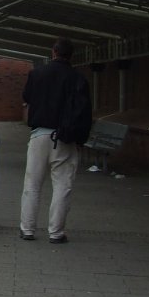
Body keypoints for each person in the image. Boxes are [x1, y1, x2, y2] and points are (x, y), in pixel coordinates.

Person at [19, 37, 90, 244]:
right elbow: (84, 111)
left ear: (54, 52)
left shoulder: (37, 74)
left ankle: (28, 229)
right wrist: (80, 138)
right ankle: (56, 233)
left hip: (39, 134)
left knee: (32, 184)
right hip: (65, 138)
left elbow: (27, 97)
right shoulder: (78, 78)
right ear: (71, 55)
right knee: (62, 186)